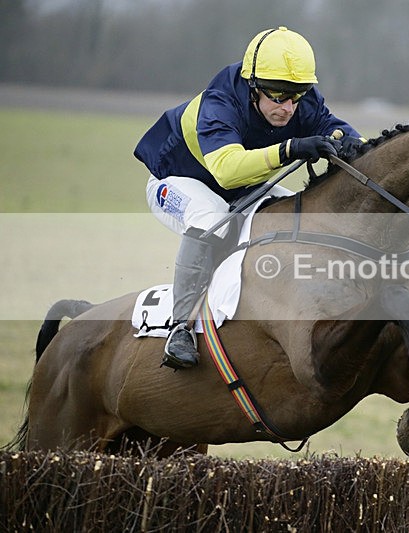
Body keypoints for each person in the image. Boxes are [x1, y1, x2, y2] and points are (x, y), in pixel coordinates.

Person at [134, 26, 364, 370]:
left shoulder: (300, 98)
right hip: (177, 182)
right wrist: (291, 148)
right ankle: (180, 327)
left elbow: (335, 126)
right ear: (253, 87)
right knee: (210, 217)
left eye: (296, 97)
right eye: (278, 96)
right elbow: (227, 170)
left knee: (298, 215)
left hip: (240, 189)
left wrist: (347, 140)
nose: (288, 108)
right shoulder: (220, 101)